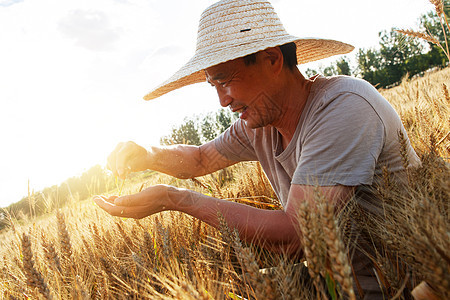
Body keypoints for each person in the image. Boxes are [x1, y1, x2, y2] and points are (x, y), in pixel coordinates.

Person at [94, 0, 421, 299]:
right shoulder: (260, 124)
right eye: (214, 86)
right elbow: (199, 159)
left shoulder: (344, 107)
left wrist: (173, 198)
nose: (222, 101)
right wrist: (147, 155)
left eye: (225, 80)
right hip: (332, 284)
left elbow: (296, 235)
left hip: (399, 287)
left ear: (272, 59)